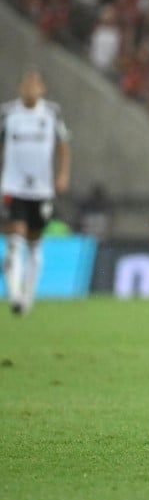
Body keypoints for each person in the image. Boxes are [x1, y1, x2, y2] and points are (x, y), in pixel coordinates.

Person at [1, 68, 72, 315]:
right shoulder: (8, 114)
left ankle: (28, 296)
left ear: (42, 89)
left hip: (41, 190)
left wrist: (63, 174)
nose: (31, 88)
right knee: (15, 240)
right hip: (13, 186)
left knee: (34, 243)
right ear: (20, 87)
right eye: (26, 83)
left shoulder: (52, 113)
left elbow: (64, 144)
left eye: (35, 84)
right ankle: (15, 296)